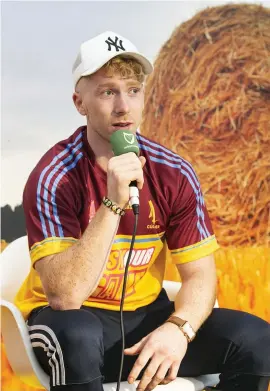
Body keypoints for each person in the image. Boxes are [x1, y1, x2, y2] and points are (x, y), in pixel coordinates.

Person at [15, 31, 270, 391]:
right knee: (78, 335)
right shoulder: (54, 176)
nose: (124, 106)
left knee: (256, 339)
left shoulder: (173, 172)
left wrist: (178, 330)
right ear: (79, 102)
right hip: (67, 325)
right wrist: (114, 203)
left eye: (133, 91)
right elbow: (65, 295)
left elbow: (200, 278)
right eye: (108, 91)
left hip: (145, 321)